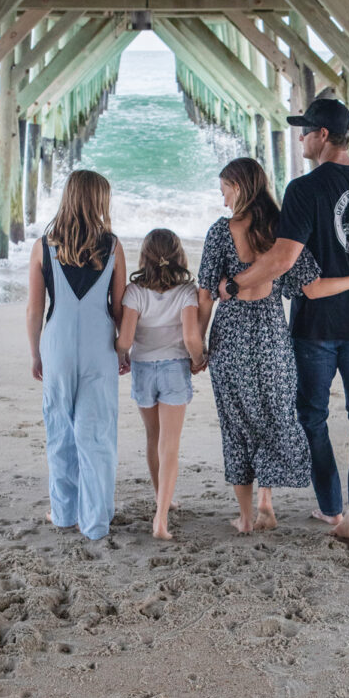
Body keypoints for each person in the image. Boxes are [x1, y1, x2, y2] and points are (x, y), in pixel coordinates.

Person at [220, 94, 349, 542]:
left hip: (315, 327)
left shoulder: (304, 189)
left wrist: (236, 284)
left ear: (323, 136)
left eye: (305, 131)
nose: (301, 138)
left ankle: (331, 506)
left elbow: (284, 258)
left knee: (311, 415)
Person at [198, 157, 349, 535]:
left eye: (225, 192)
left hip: (230, 338)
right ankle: (267, 500)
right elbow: (314, 289)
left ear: (239, 187)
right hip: (271, 339)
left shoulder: (220, 232)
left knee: (236, 425)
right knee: (273, 419)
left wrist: (197, 346)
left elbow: (205, 295)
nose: (223, 202)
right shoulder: (281, 236)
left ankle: (247, 516)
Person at [26, 169, 127, 541]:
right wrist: (123, 348)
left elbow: (34, 310)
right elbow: (119, 309)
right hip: (99, 346)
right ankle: (96, 521)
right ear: (99, 201)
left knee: (60, 430)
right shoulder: (113, 246)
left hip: (58, 344)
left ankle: (65, 512)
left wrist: (35, 353)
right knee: (96, 434)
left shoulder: (44, 245)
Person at [115, 229, 205, 541]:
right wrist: (197, 360)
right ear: (179, 256)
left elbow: (125, 339)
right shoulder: (186, 292)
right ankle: (161, 517)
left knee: (153, 438)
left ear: (145, 257)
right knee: (170, 444)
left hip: (143, 369)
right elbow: (192, 337)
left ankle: (160, 497)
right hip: (173, 369)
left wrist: (121, 356)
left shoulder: (134, 291)